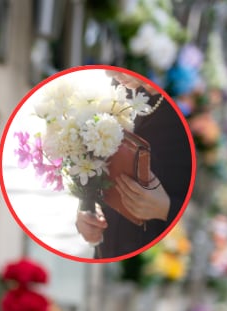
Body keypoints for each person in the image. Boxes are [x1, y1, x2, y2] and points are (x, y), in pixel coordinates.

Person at [75, 72, 193, 259]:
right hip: (108, 244)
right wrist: (87, 209)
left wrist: (167, 209)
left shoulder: (186, 107)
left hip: (156, 251)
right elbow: (95, 160)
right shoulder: (116, 87)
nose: (110, 73)